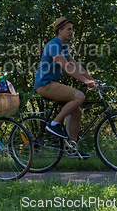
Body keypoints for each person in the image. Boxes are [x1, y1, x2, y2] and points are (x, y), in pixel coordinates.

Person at [34, 17, 96, 159]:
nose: (72, 32)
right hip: (45, 84)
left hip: (52, 84)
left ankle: (72, 149)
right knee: (79, 96)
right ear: (60, 30)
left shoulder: (63, 47)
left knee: (77, 112)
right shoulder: (54, 45)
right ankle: (54, 124)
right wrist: (85, 81)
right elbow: (66, 66)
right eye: (69, 29)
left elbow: (75, 65)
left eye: (72, 29)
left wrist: (92, 80)